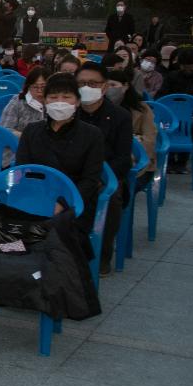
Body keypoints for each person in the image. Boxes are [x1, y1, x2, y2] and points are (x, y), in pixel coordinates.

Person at [15, 73, 106, 226]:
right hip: (36, 197)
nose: (59, 102)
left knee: (57, 236)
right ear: (44, 101)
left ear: (77, 102)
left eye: (66, 97)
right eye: (53, 97)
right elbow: (23, 169)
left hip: (74, 201)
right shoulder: (31, 131)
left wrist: (63, 203)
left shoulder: (92, 134)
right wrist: (39, 200)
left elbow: (90, 179)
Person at [75, 62, 133, 273]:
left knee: (110, 197)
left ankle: (101, 255)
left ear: (105, 87)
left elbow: (123, 158)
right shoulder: (69, 112)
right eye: (81, 83)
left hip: (104, 175)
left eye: (92, 83)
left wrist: (98, 176)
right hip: (73, 172)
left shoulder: (120, 116)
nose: (86, 87)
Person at [107, 67, 157, 181]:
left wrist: (134, 145)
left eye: (113, 85)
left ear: (125, 86)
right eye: (106, 86)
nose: (109, 89)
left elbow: (150, 138)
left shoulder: (141, 108)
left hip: (138, 162)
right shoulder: (99, 109)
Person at [0, 66, 48, 135]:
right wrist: (25, 137)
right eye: (35, 87)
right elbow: (5, 128)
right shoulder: (18, 101)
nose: (39, 91)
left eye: (43, 87)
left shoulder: (54, 103)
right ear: (28, 87)